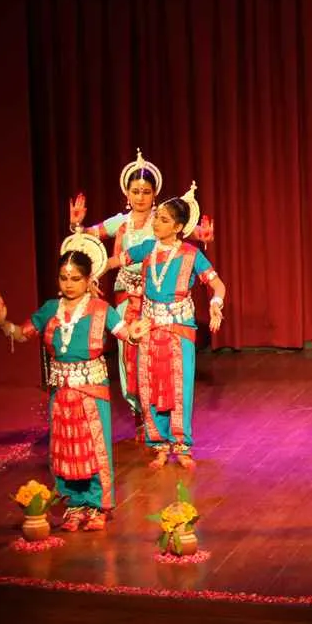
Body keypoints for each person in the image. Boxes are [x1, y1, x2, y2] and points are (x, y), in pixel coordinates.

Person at [0, 234, 144, 530]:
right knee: (64, 447)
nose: (69, 284)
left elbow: (127, 333)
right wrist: (2, 324)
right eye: (64, 278)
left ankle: (97, 506)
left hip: (91, 390)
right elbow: (21, 334)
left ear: (88, 280)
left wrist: (137, 332)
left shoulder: (101, 309)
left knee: (94, 447)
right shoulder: (50, 309)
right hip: (61, 391)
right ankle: (73, 505)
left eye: (76, 278)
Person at [68, 149, 214, 439]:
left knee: (152, 358)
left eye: (146, 192)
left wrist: (204, 234)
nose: (140, 197)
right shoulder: (119, 222)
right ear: (127, 192)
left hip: (153, 297)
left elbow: (190, 230)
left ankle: (157, 416)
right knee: (127, 354)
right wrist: (76, 225)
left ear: (154, 194)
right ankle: (139, 412)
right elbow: (88, 237)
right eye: (135, 191)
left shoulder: (161, 220)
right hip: (125, 294)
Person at [111, 183, 228, 470]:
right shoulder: (147, 248)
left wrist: (216, 304)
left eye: (163, 220)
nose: (156, 223)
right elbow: (116, 261)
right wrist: (90, 271)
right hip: (149, 327)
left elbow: (218, 285)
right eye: (157, 218)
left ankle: (182, 446)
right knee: (150, 386)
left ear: (177, 227)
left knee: (179, 387)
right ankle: (160, 446)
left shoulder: (191, 254)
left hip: (179, 329)